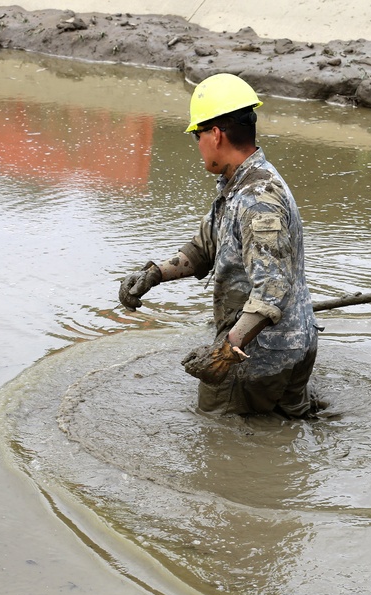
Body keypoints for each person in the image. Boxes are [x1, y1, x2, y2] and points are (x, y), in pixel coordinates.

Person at [118, 73, 319, 418]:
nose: (197, 145)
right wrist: (153, 275)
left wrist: (227, 349)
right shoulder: (238, 185)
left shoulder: (257, 199)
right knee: (285, 431)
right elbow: (204, 248)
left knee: (218, 435)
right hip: (292, 344)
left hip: (259, 352)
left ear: (215, 134)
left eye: (197, 135)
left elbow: (273, 288)